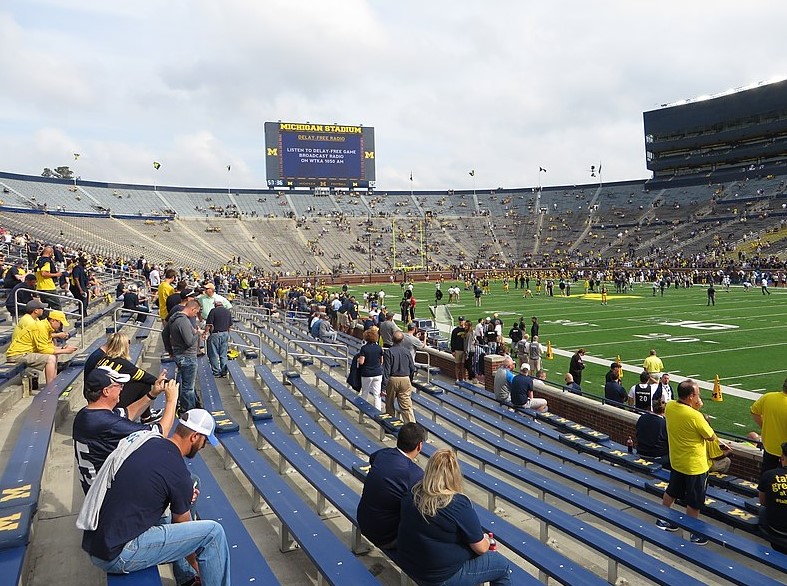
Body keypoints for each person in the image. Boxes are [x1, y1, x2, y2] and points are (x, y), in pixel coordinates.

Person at [78, 409, 230, 586]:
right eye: (204, 441)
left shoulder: (151, 442)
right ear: (195, 436)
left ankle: (185, 579)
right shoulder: (177, 472)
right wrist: (198, 564)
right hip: (118, 553)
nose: (203, 447)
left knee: (192, 482)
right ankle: (196, 577)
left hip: (98, 539)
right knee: (213, 533)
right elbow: (182, 522)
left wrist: (184, 495)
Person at [397, 449, 512, 586]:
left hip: (411, 563)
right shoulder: (457, 504)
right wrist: (487, 540)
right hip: (439, 576)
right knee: (502, 566)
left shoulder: (412, 493)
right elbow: (480, 548)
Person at [72, 365, 178, 494]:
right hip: (108, 497)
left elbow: (128, 413)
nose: (122, 389)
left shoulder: (86, 414)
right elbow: (160, 433)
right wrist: (171, 400)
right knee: (172, 484)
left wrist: (152, 394)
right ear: (106, 391)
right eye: (118, 386)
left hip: (95, 490)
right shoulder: (107, 423)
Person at [657, 380, 717, 545]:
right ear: (691, 396)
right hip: (695, 466)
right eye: (697, 394)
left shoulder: (669, 406)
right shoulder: (695, 415)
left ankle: (663, 519)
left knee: (672, 491)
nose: (699, 397)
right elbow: (710, 436)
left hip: (677, 461)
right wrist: (697, 410)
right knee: (694, 500)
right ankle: (693, 533)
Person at [356, 423, 425, 551]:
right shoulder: (415, 474)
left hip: (363, 519)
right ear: (419, 445)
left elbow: (372, 458)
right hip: (385, 537)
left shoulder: (383, 454)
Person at [93, 332, 167, 422]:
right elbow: (144, 376)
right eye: (128, 342)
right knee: (143, 383)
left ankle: (146, 416)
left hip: (96, 399)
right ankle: (146, 418)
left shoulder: (103, 359)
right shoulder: (122, 363)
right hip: (107, 402)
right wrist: (165, 382)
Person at [5, 307, 78, 384]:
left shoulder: (47, 327)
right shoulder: (41, 327)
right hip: (17, 355)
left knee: (54, 355)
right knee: (50, 358)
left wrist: (63, 348)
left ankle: (54, 382)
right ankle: (50, 388)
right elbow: (43, 350)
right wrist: (65, 351)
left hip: (25, 353)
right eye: (60, 323)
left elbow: (48, 346)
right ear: (53, 321)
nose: (61, 326)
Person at [162, 299, 202, 413]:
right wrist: (197, 333)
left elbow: (164, 334)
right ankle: (189, 411)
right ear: (192, 309)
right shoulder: (183, 321)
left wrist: (169, 350)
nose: (195, 315)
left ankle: (190, 404)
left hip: (179, 355)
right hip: (187, 356)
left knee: (184, 381)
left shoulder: (174, 318)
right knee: (188, 387)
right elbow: (189, 341)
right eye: (196, 312)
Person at [750, 377, 787, 474]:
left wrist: (764, 426)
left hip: (769, 449)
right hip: (785, 454)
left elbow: (754, 411)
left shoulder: (768, 397)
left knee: (767, 480)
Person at [758, 441, 787, 553]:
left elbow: (763, 502)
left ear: (782, 457)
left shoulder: (769, 475)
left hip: (772, 528)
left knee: (762, 509)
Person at [382, 331, 417, 423]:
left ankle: (389, 425)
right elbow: (412, 367)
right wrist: (410, 379)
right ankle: (411, 426)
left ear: (392, 340)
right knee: (406, 406)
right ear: (402, 340)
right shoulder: (406, 352)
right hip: (405, 378)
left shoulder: (389, 352)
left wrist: (383, 387)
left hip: (393, 379)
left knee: (389, 405)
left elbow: (386, 370)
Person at [636, 401, 670, 467]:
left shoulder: (642, 417)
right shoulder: (664, 423)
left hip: (640, 453)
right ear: (664, 411)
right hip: (657, 457)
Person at [358, 326, 384, 410]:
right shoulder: (379, 348)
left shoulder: (364, 348)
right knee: (377, 395)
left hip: (367, 373)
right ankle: (378, 411)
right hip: (377, 373)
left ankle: (362, 411)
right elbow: (381, 361)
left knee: (364, 393)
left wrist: (358, 359)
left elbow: (361, 362)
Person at [205, 301, 233, 378]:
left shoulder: (213, 311)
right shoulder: (228, 311)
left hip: (215, 334)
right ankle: (224, 372)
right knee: (223, 354)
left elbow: (209, 324)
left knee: (213, 354)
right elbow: (230, 325)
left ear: (215, 305)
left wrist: (205, 333)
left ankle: (216, 372)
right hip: (225, 333)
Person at [34, 245, 65, 310]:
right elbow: (44, 273)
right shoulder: (46, 261)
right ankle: (58, 319)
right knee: (57, 307)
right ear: (50, 253)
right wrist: (56, 274)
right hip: (48, 287)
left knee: (45, 307)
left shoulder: (37, 260)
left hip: (40, 287)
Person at [450, 319, 467, 384]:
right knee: (457, 365)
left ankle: (463, 378)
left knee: (463, 365)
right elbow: (452, 341)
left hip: (464, 350)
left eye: (462, 321)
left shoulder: (466, 330)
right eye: (460, 321)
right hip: (457, 350)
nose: (461, 322)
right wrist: (453, 351)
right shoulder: (455, 330)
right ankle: (457, 378)